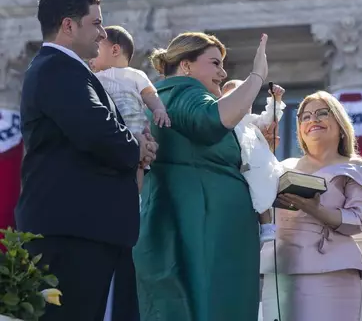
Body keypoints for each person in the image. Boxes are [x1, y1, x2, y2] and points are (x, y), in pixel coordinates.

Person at [17, 0, 158, 321]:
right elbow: (96, 131)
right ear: (68, 25)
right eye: (96, 23)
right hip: (72, 234)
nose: (102, 33)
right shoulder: (56, 68)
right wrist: (136, 147)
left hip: (87, 231)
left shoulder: (67, 70)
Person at [133, 32, 273, 321]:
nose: (222, 73)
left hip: (193, 221)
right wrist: (257, 76)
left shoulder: (167, 97)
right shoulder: (186, 92)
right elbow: (210, 120)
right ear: (185, 66)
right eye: (215, 63)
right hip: (205, 227)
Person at [260, 91, 362, 321]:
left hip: (333, 271)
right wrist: (262, 153)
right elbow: (257, 204)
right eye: (305, 116)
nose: (313, 120)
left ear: (340, 123)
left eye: (322, 113)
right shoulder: (281, 167)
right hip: (282, 269)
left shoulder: (356, 169)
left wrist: (315, 209)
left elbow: (357, 220)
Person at [90, 25, 171, 192]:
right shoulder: (93, 77)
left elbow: (150, 94)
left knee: (138, 165)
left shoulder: (135, 75)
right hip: (110, 130)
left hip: (135, 129)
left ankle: (136, 198)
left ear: (115, 50)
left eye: (96, 47)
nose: (90, 56)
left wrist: (159, 110)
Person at [221, 79, 285, 243]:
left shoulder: (251, 122)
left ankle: (266, 225)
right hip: (236, 165)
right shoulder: (223, 121)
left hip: (256, 163)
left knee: (262, 189)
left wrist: (275, 100)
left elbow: (269, 119)